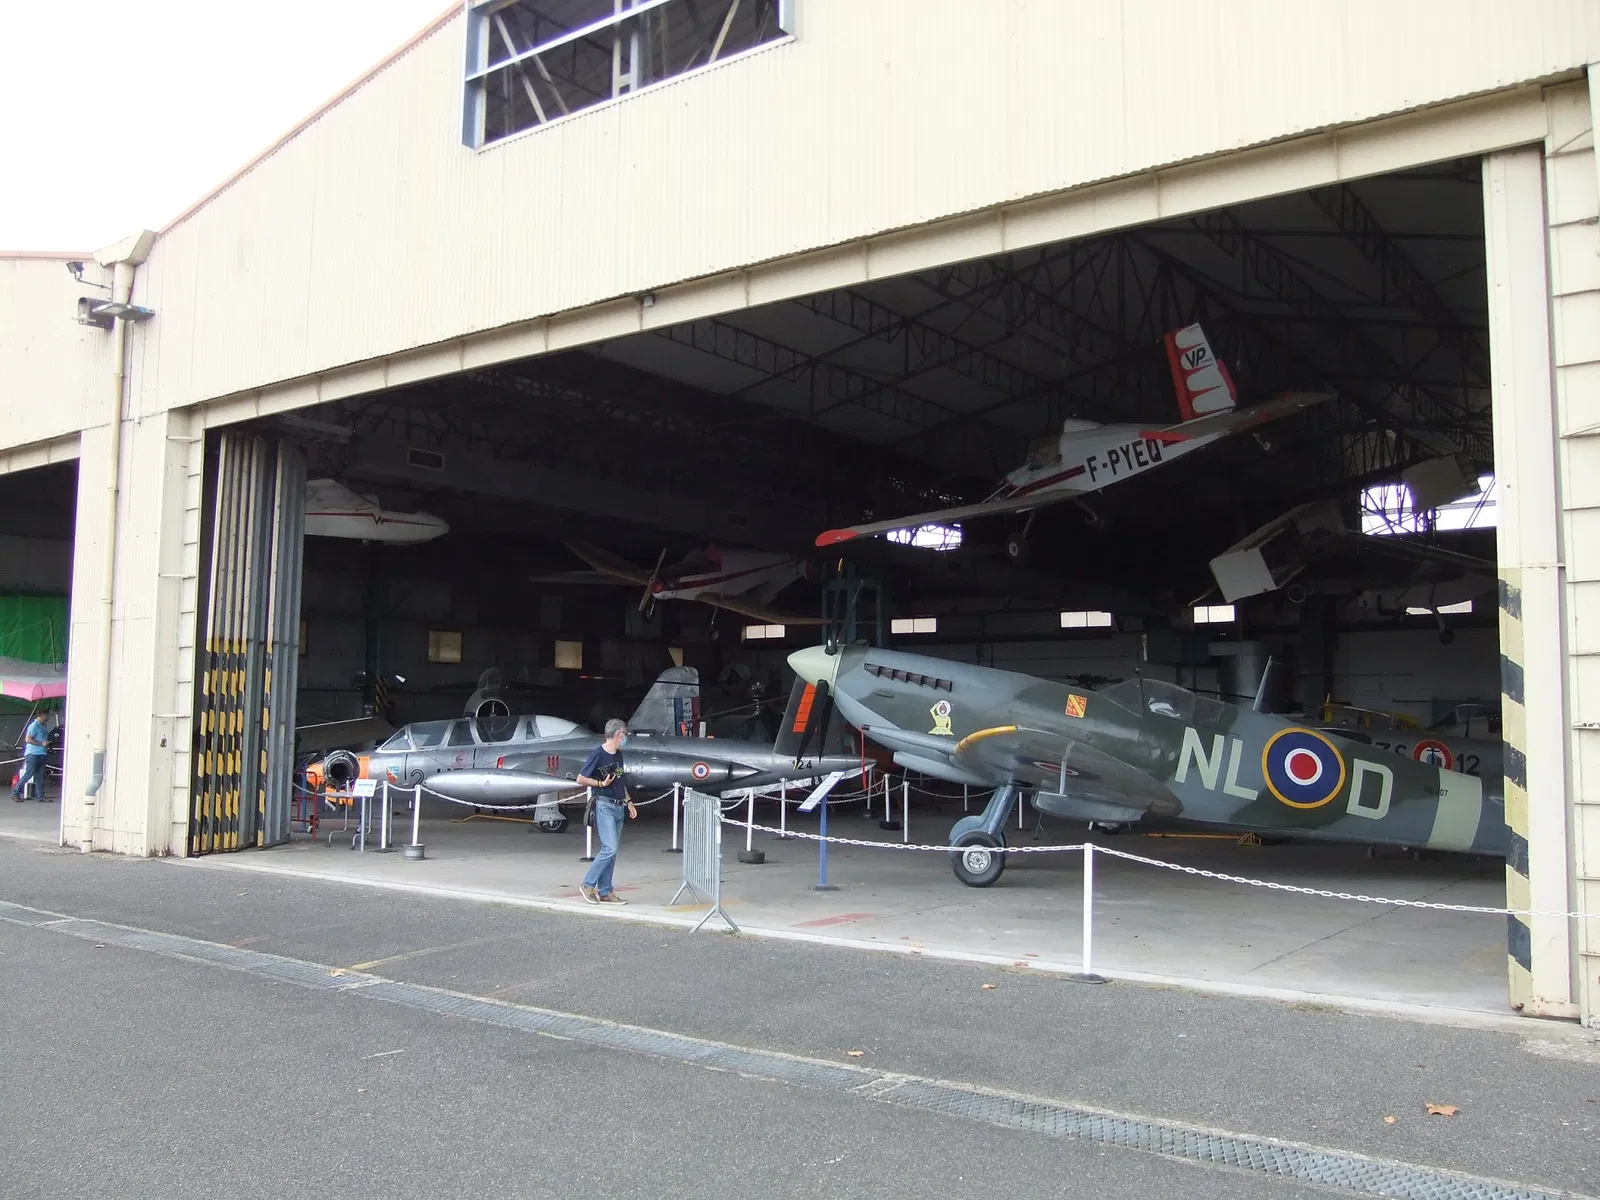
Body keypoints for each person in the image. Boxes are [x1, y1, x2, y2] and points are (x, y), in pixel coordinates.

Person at [574, 718, 637, 905]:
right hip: (604, 805)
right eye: (624, 733)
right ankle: (587, 884)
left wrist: (629, 802)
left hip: (619, 806)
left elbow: (620, 781)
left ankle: (605, 891)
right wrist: (600, 783)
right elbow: (581, 778)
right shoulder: (598, 754)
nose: (626, 737)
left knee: (611, 851)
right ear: (618, 735)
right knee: (610, 848)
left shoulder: (618, 755)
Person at [12, 711, 51, 803]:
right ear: (42, 716)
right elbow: (28, 739)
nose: (48, 717)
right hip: (33, 753)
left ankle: (40, 796)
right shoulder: (34, 726)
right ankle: (15, 793)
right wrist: (41, 744)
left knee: (40, 776)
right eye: (46, 716)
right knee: (29, 774)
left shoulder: (43, 725)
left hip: (42, 753)